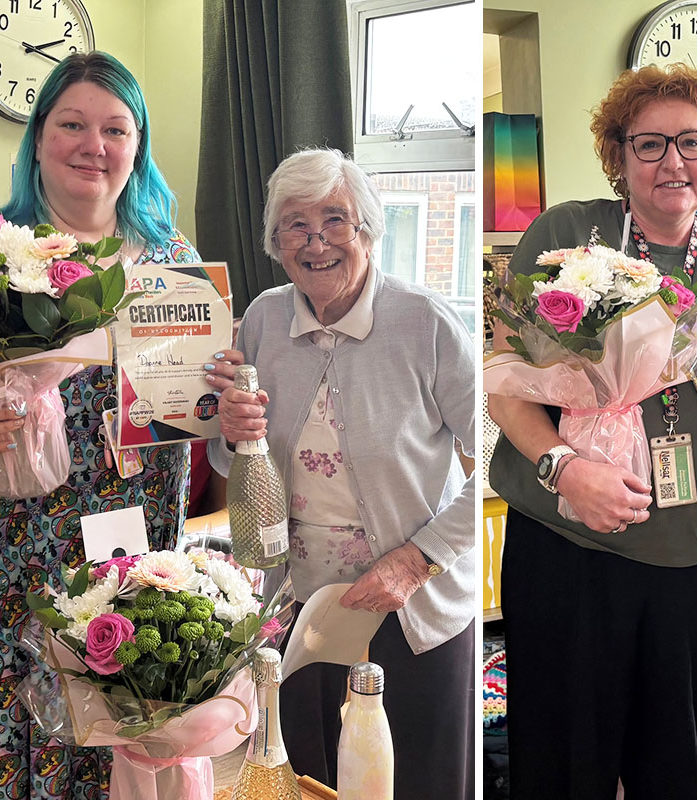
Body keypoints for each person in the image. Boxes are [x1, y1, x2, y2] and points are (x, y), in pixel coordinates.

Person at [0, 52, 205, 798]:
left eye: (115, 129)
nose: (94, 145)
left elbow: (190, 404)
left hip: (110, 544)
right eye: (72, 125)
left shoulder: (172, 264)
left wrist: (226, 398)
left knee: (90, 728)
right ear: (37, 140)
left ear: (138, 146)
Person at [486, 63, 697, 798]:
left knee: (682, 773)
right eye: (649, 144)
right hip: (569, 551)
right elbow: (504, 384)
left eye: (692, 142)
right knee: (562, 771)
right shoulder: (566, 235)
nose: (672, 162)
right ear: (618, 157)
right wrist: (564, 469)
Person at [205, 148, 476, 800]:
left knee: (416, 782)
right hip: (303, 607)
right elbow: (236, 463)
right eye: (295, 225)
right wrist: (232, 434)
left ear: (368, 230)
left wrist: (419, 559)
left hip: (412, 607)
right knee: (312, 779)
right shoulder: (264, 319)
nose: (316, 241)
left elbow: (500, 457)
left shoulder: (425, 322)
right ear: (275, 243)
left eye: (335, 220)